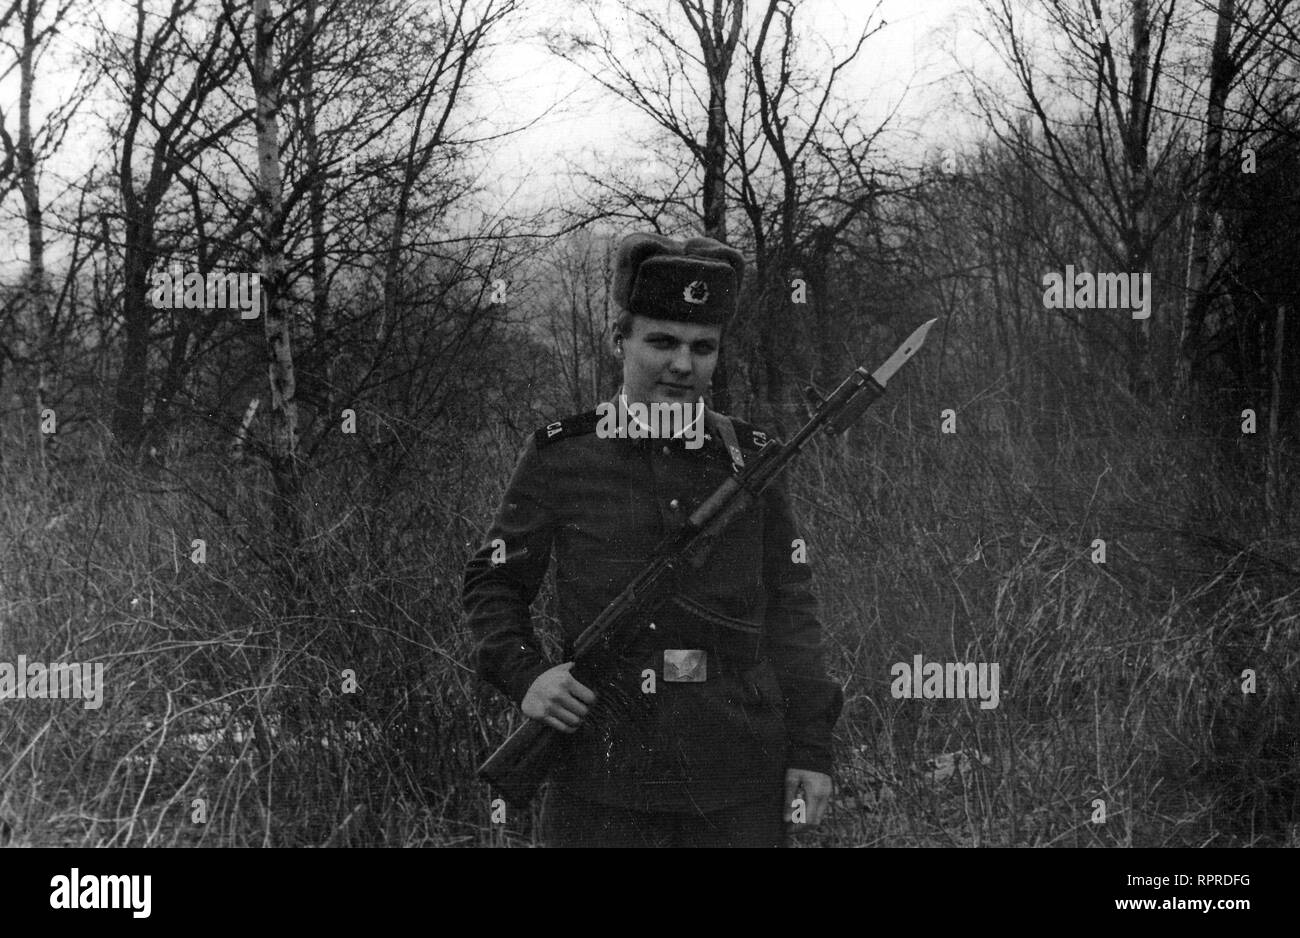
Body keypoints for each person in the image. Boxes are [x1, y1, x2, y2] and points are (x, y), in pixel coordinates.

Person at [463, 232, 843, 847]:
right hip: (601, 777)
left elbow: (792, 610)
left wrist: (811, 750)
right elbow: (495, 581)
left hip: (736, 775)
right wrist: (527, 676)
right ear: (621, 339)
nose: (683, 365)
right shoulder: (564, 453)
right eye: (662, 341)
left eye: (703, 347)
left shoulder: (754, 461)